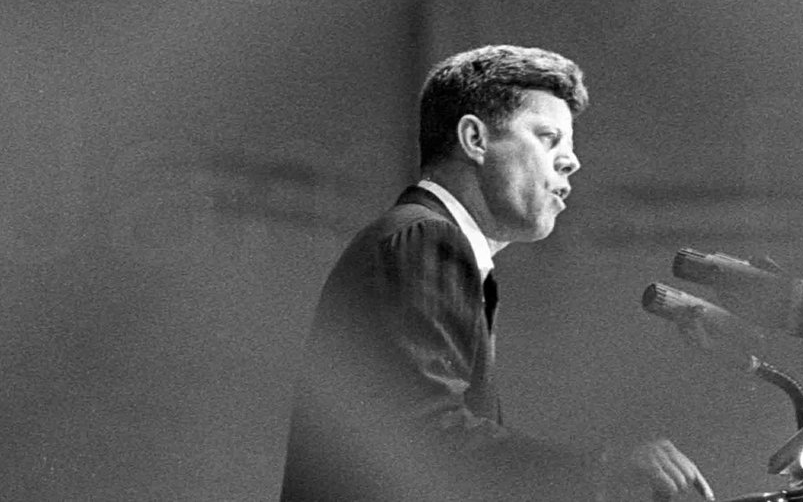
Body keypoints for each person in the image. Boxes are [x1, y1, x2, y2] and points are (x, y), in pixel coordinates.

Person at [279, 44, 714, 502]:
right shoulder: (426, 237)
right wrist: (605, 468)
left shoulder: (434, 244)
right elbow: (427, 439)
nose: (571, 161)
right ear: (475, 139)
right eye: (548, 138)